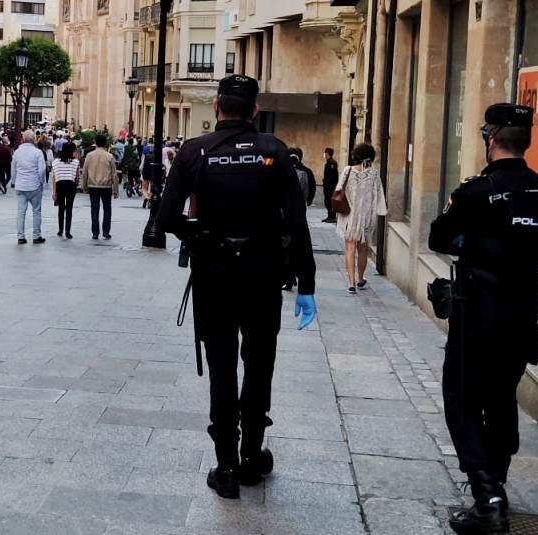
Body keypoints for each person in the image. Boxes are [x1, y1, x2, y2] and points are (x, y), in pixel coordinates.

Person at [157, 74, 317, 500]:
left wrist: (201, 234)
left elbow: (167, 215)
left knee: (222, 366)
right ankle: (251, 456)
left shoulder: (196, 151)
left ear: (217, 108)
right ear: (254, 109)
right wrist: (307, 282)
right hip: (263, 276)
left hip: (215, 276)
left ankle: (225, 464)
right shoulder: (274, 151)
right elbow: (298, 222)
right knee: (260, 363)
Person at [428, 103, 538, 535]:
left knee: (463, 398)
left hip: (478, 312)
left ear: (491, 139)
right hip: (522, 314)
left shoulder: (475, 192)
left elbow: (440, 237)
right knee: (502, 397)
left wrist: (472, 239)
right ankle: (496, 484)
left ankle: (487, 496)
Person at [335, 143, 386, 295]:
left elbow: (338, 189)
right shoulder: (374, 174)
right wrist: (380, 211)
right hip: (366, 218)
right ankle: (360, 278)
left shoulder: (348, 170)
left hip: (349, 216)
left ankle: (351, 284)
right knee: (362, 249)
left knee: (349, 249)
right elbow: (379, 196)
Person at [80, 134, 119, 240]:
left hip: (93, 185)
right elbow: (114, 174)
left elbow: (84, 172)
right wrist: (115, 190)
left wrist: (83, 187)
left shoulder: (90, 155)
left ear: (95, 142)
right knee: (107, 209)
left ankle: (95, 232)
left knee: (94, 209)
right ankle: (106, 231)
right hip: (106, 186)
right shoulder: (109, 156)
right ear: (105, 143)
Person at [11, 130, 47, 244]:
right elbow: (42, 170)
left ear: (23, 139)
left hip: (21, 185)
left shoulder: (17, 152)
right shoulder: (38, 152)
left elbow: (13, 168)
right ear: (34, 140)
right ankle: (36, 235)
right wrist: (41, 182)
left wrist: (13, 181)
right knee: (36, 211)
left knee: (21, 212)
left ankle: (20, 236)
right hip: (34, 185)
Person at [52, 141, 80, 239]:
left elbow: (54, 177)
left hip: (60, 185)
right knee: (69, 208)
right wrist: (76, 185)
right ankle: (68, 231)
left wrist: (54, 191)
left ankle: (60, 230)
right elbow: (77, 177)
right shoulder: (76, 162)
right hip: (71, 185)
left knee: (61, 208)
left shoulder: (56, 162)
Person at [322, 147, 339, 222]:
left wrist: (332, 185)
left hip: (330, 186)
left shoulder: (332, 163)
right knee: (327, 201)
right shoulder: (328, 162)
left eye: (325, 153)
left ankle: (332, 217)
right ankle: (329, 216)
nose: (324, 154)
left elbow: (334, 176)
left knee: (330, 201)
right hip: (326, 185)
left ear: (328, 154)